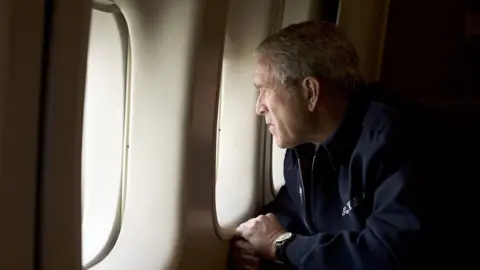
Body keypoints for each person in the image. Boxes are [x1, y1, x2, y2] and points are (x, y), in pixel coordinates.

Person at [230, 20, 438, 270]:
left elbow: (387, 256)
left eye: (264, 90)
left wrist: (281, 243)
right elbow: (294, 208)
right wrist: (256, 239)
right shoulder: (303, 149)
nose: (259, 107)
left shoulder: (394, 140)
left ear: (310, 92)